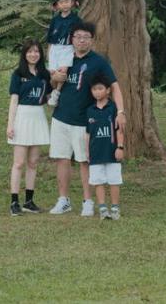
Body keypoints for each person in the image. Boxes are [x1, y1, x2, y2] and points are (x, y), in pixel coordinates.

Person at [47, 22, 126, 216]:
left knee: (84, 161)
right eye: (78, 36)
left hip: (84, 120)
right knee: (62, 158)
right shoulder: (64, 57)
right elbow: (52, 83)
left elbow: (114, 86)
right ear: (72, 39)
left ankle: (88, 201)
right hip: (61, 116)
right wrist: (56, 77)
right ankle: (63, 200)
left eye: (86, 37)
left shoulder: (98, 61)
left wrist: (121, 112)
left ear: (91, 40)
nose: (81, 40)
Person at [6, 39, 51, 215]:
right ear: (25, 54)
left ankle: (29, 201)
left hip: (38, 116)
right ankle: (14, 202)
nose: (33, 54)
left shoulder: (44, 74)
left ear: (41, 54)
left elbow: (48, 98)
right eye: (30, 51)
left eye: (37, 51)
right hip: (22, 117)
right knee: (18, 163)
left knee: (33, 162)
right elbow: (14, 100)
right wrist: (10, 124)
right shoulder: (18, 74)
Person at [86, 77, 125, 220]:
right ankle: (103, 208)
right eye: (94, 89)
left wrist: (120, 147)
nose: (97, 92)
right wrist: (87, 151)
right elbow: (88, 134)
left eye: (100, 88)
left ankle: (115, 208)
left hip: (111, 151)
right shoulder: (90, 110)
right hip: (95, 152)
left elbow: (119, 130)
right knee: (98, 180)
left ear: (108, 90)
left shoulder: (113, 108)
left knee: (114, 180)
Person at [45, 0, 83, 78]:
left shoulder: (76, 19)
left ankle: (58, 90)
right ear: (57, 5)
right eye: (61, 2)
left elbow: (79, 35)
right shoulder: (55, 20)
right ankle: (53, 89)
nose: (64, 4)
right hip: (55, 48)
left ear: (72, 2)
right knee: (52, 71)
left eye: (66, 1)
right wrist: (48, 52)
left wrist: (76, 50)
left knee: (63, 70)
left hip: (68, 48)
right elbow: (50, 38)